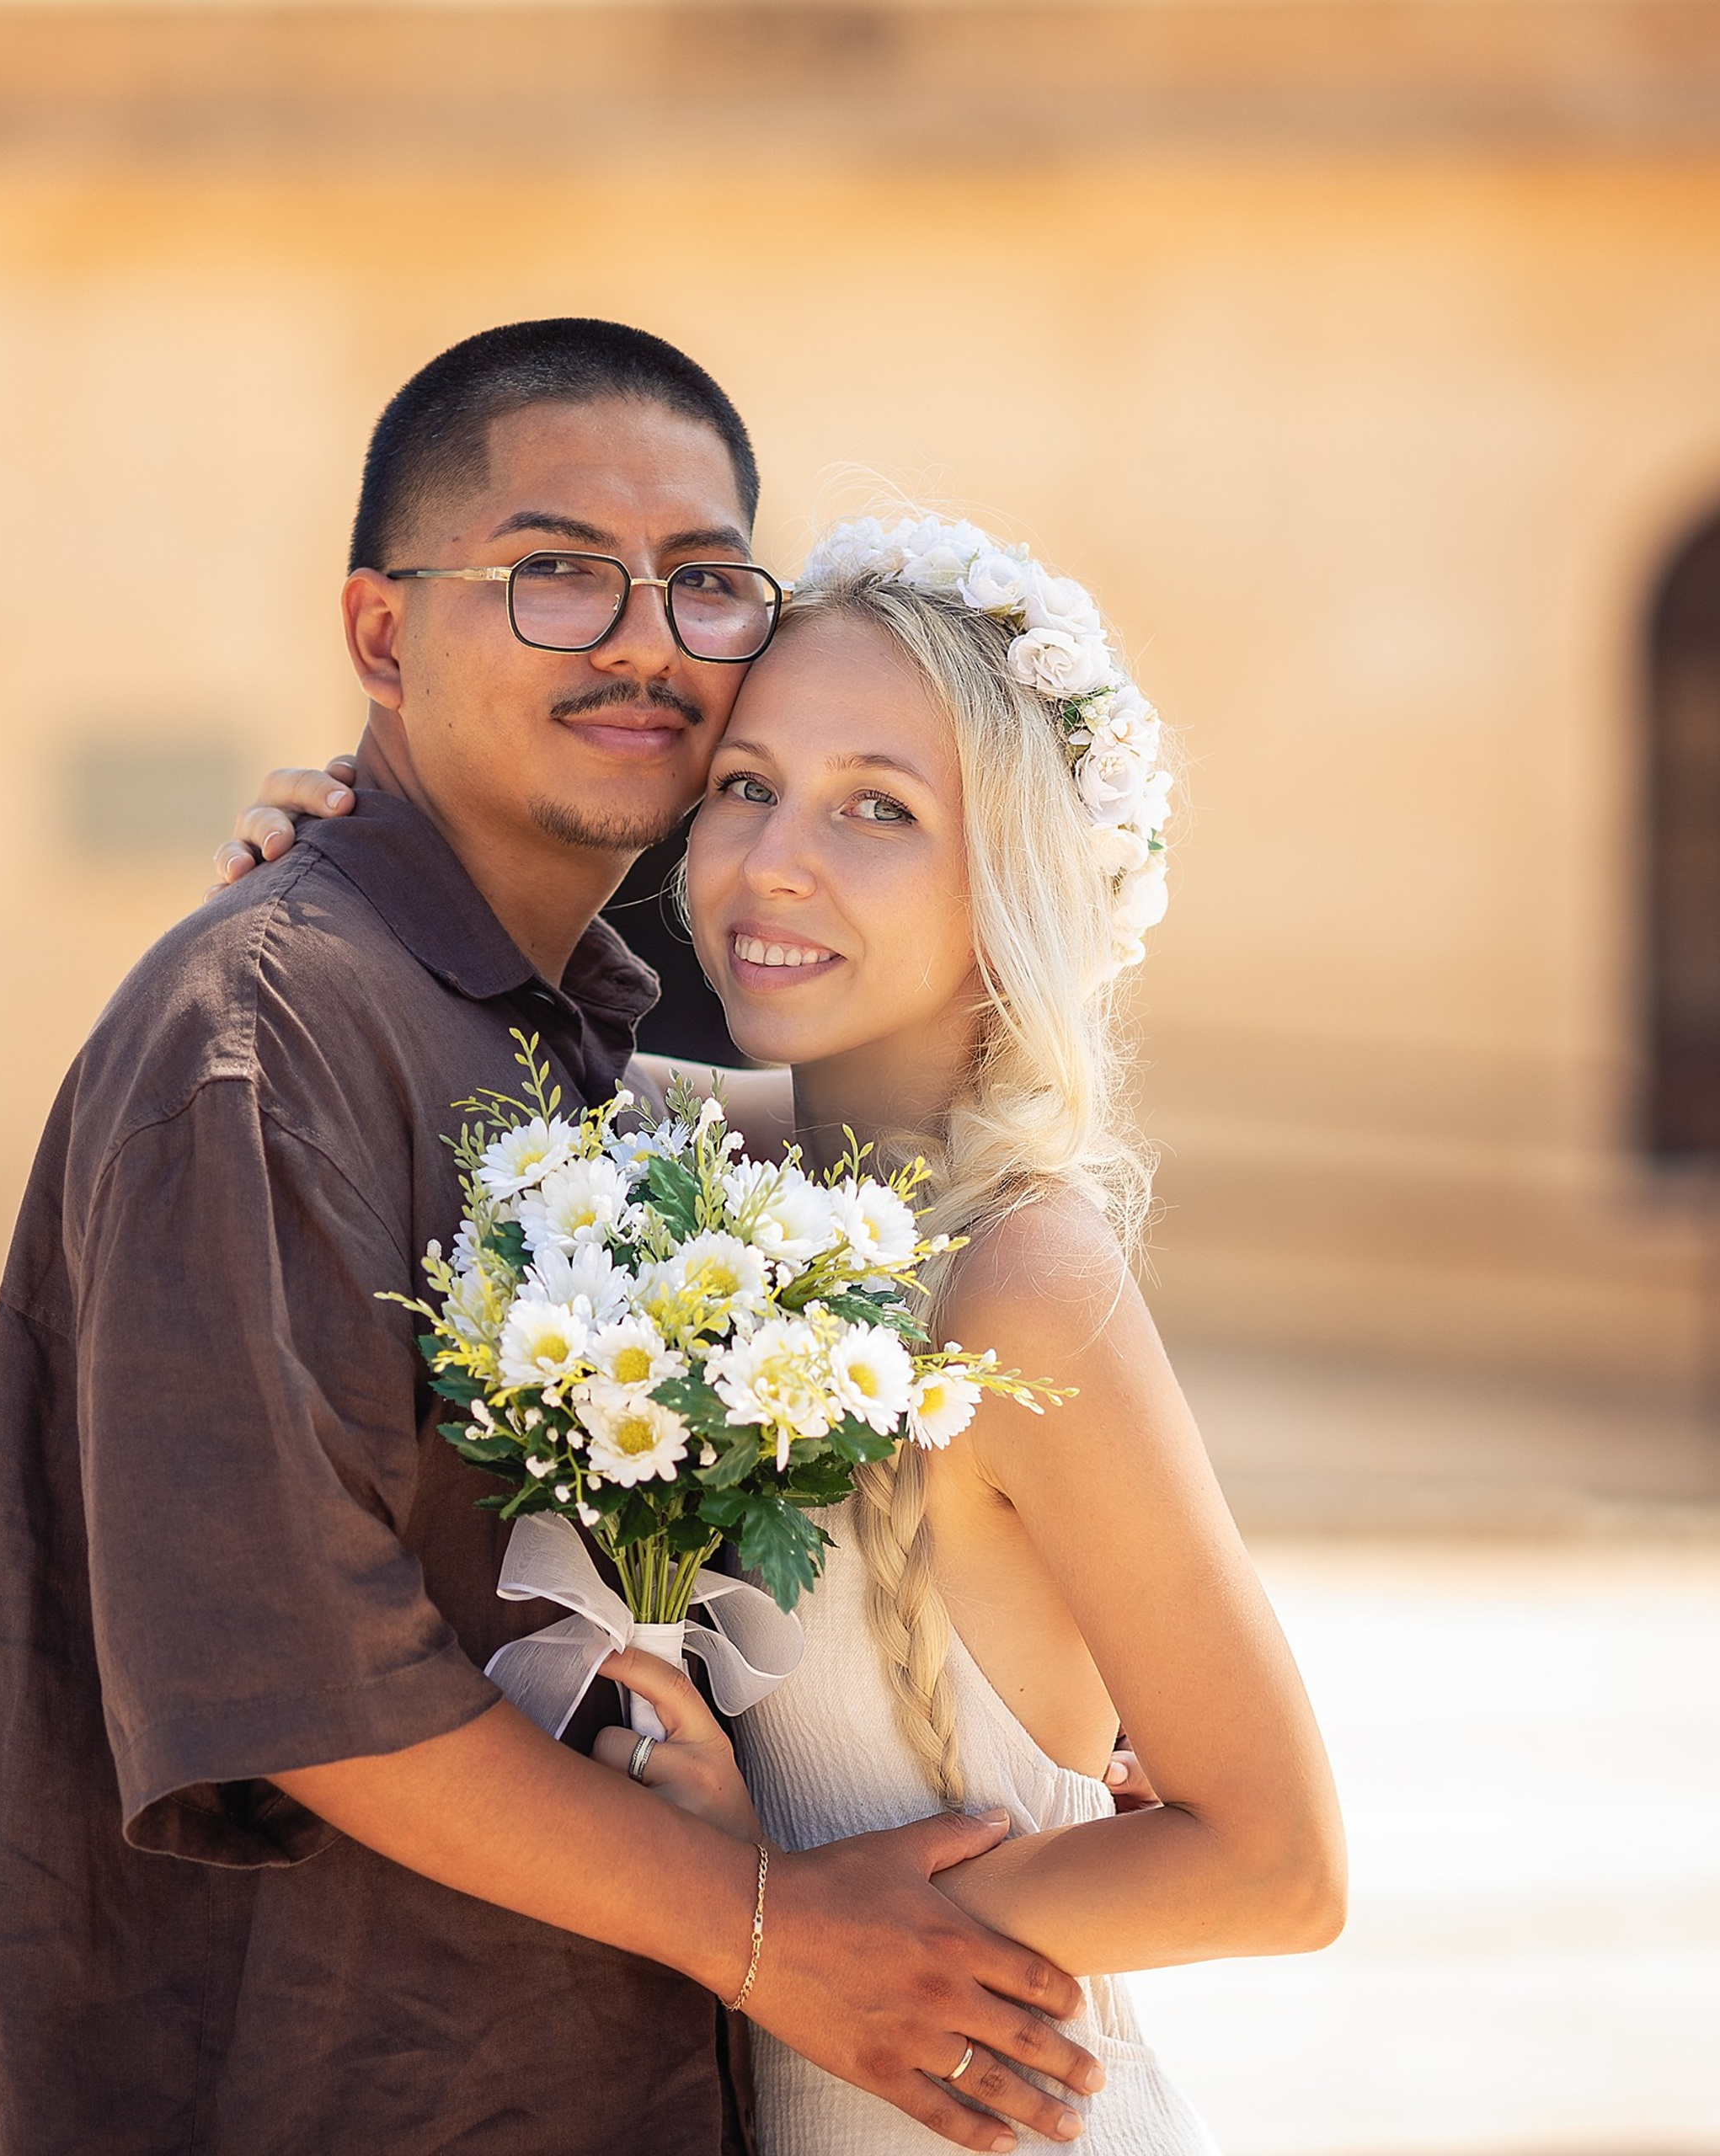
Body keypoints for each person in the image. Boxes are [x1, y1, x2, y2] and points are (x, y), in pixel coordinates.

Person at [0, 320, 1108, 2156]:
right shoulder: (259, 1043)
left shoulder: (583, 1053)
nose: (643, 638)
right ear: (384, 634)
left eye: (704, 582)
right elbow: (300, 1673)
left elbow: (962, 1242)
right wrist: (775, 1932)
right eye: (554, 571)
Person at [222, 510, 1348, 2151]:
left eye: (875, 806)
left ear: (1007, 873)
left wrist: (779, 1918)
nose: (770, 861)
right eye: (743, 784)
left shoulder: (1021, 1278)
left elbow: (1278, 1860)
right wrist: (317, 882)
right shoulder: (673, 1192)